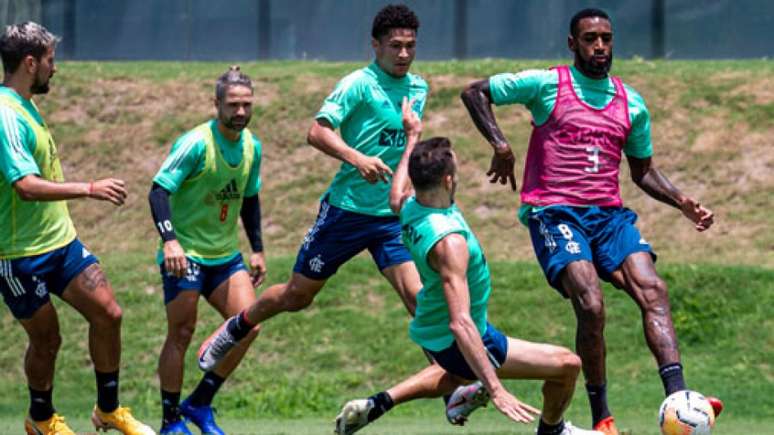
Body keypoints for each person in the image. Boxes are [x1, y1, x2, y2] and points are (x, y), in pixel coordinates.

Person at [196, 4, 485, 425]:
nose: (403, 54)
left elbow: (406, 142)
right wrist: (357, 158)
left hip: (391, 219)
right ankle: (237, 326)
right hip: (346, 212)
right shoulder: (357, 84)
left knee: (420, 300)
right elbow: (317, 131)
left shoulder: (418, 88)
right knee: (298, 296)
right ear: (375, 45)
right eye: (395, 46)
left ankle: (454, 391)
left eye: (410, 46)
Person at [459, 8, 723, 434]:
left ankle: (680, 399)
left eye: (606, 38)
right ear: (572, 43)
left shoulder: (630, 102)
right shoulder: (549, 84)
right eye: (590, 39)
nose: (600, 46)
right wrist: (501, 145)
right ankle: (603, 417)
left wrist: (681, 201)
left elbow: (642, 171)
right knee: (591, 304)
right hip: (555, 212)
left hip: (609, 217)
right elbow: (475, 92)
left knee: (654, 289)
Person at [332, 99, 600, 435]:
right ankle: (552, 431)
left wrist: (412, 137)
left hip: (431, 327)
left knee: (456, 375)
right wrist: (498, 389)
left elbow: (395, 193)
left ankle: (382, 403)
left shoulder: (411, 207)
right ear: (447, 180)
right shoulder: (449, 242)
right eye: (456, 171)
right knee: (567, 365)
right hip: (456, 334)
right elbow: (461, 324)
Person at [0, 22, 154, 435]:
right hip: (19, 255)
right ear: (30, 63)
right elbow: (25, 186)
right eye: (51, 60)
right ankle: (41, 419)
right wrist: (88, 188)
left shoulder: (26, 105)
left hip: (61, 244)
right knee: (47, 340)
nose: (56, 68)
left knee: (109, 314)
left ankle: (108, 410)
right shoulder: (5, 115)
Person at [148, 65, 264, 435]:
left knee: (249, 325)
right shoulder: (196, 143)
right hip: (186, 257)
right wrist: (171, 242)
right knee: (181, 334)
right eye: (233, 104)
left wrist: (257, 250)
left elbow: (250, 199)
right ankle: (170, 421)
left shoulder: (252, 146)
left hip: (226, 257)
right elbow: (158, 191)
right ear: (216, 104)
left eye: (246, 104)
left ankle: (199, 402)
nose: (241, 112)